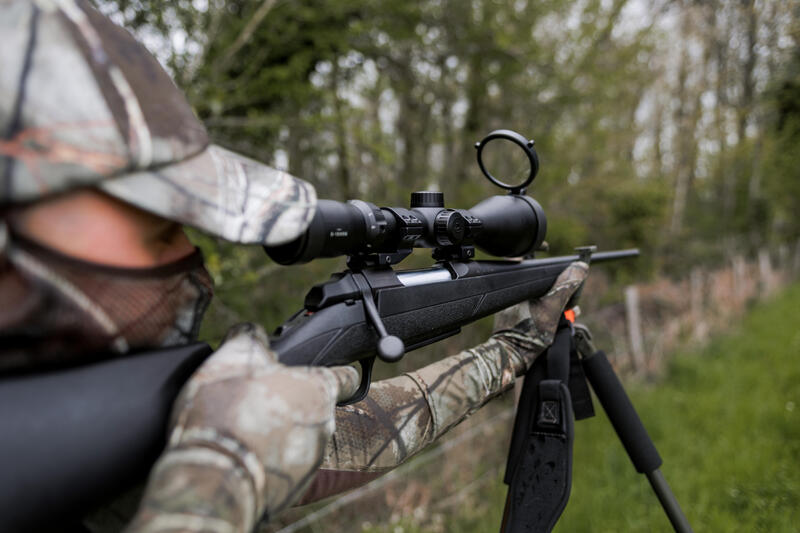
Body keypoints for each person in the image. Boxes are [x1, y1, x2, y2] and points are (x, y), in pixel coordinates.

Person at [0, 1, 589, 532]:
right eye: (156, 223)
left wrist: (509, 351)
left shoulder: (117, 441)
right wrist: (211, 491)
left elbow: (360, 438)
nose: (190, 257)